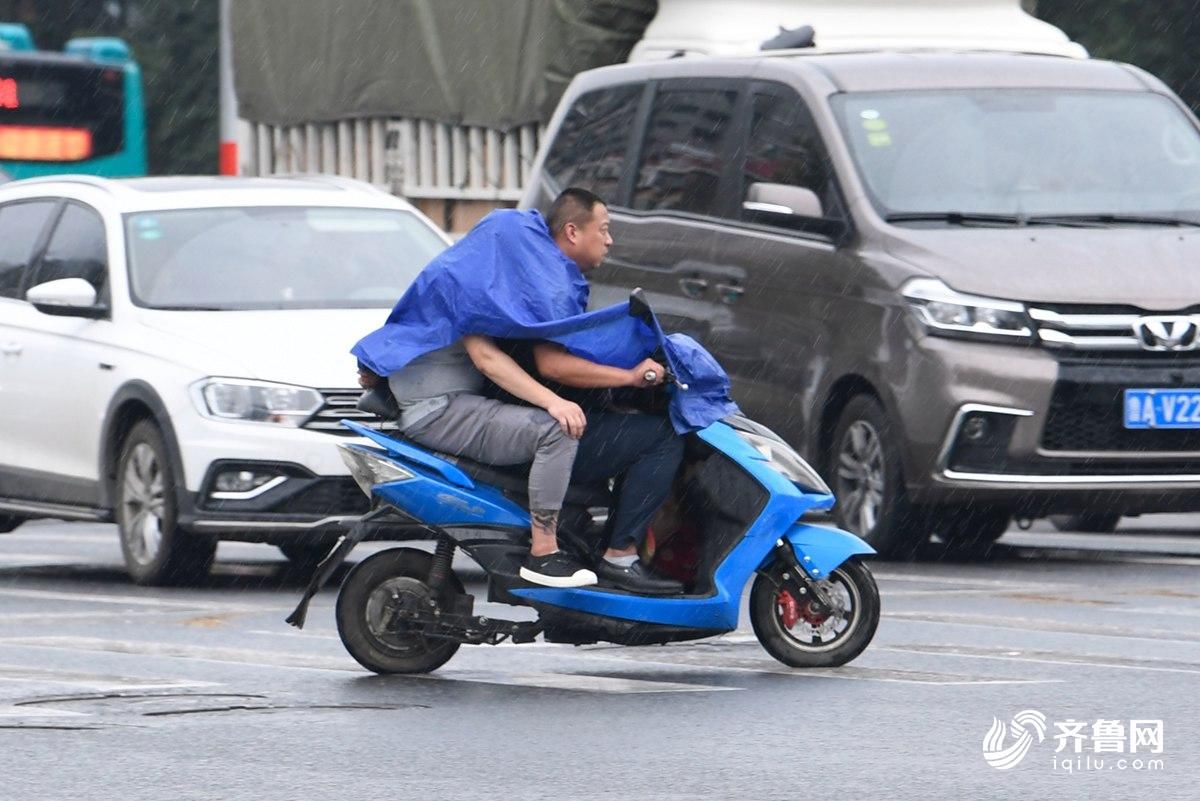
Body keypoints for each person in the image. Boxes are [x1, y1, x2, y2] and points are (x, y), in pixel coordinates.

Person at [355, 189, 683, 593]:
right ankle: (543, 554)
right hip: (441, 408)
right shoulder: (473, 284)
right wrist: (560, 401)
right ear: (572, 232)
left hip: (454, 401)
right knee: (557, 430)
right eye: (604, 229)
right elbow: (490, 360)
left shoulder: (509, 284)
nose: (610, 240)